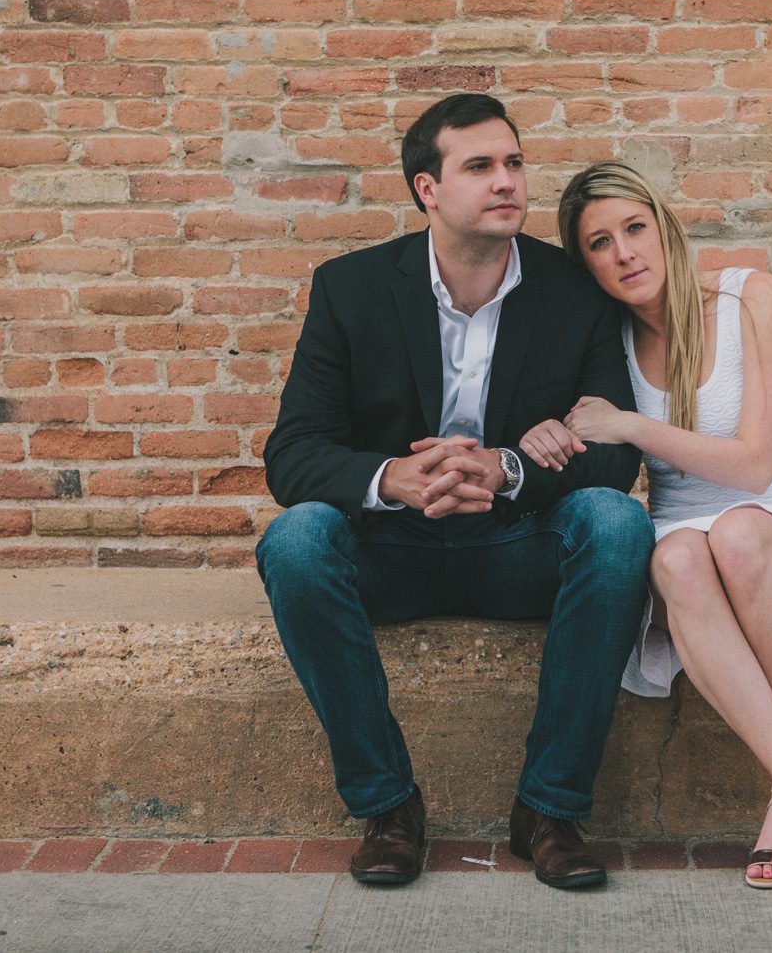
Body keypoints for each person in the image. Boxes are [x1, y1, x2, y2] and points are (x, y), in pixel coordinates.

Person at [256, 95, 655, 890]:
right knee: (295, 539)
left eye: (513, 162)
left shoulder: (574, 292)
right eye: (480, 166)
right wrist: (388, 478)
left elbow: (614, 456)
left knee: (615, 523)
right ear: (427, 189)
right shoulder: (351, 288)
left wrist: (507, 468)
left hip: (518, 545)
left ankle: (549, 808)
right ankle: (389, 806)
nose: (506, 181)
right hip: (390, 548)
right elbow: (293, 453)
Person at [524, 162, 772, 904]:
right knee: (683, 557)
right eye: (599, 242)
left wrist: (629, 422)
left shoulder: (752, 296)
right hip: (683, 521)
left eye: (634, 228)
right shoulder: (608, 341)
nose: (624, 252)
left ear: (664, 226)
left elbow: (757, 465)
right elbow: (559, 428)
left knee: (738, 538)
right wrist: (538, 433)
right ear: (585, 262)